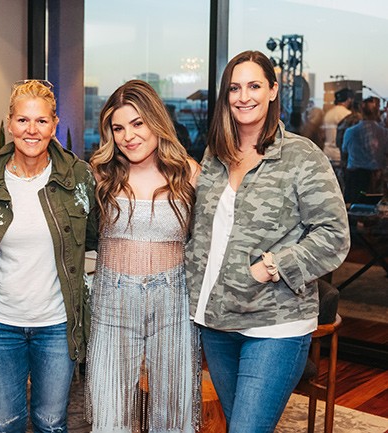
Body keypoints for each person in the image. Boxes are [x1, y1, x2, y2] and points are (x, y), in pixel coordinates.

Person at [186, 50, 349, 432]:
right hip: (218, 323)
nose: (244, 96)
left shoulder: (300, 156)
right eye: (235, 88)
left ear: (273, 90)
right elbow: (203, 231)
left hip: (276, 326)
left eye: (254, 86)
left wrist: (272, 266)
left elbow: (335, 235)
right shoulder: (215, 155)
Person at [0, 79, 97, 433]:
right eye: (23, 120)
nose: (31, 130)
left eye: (41, 121)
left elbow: (95, 236)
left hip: (55, 324)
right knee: (5, 423)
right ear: (9, 124)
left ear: (54, 125)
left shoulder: (78, 177)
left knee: (51, 423)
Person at [85, 80, 201, 433]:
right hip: (112, 296)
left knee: (174, 413)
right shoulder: (101, 174)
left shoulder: (189, 173)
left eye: (137, 124)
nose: (127, 136)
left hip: (174, 297)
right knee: (109, 413)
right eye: (118, 127)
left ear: (156, 121)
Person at [342, 96, 388, 202]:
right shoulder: (384, 133)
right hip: (376, 178)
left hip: (355, 177)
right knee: (374, 210)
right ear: (377, 111)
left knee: (354, 208)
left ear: (361, 111)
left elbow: (345, 150)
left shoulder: (350, 131)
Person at [322, 87, 353, 164]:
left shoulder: (328, 114)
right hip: (339, 155)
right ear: (349, 100)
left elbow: (322, 135)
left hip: (326, 152)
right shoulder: (348, 115)